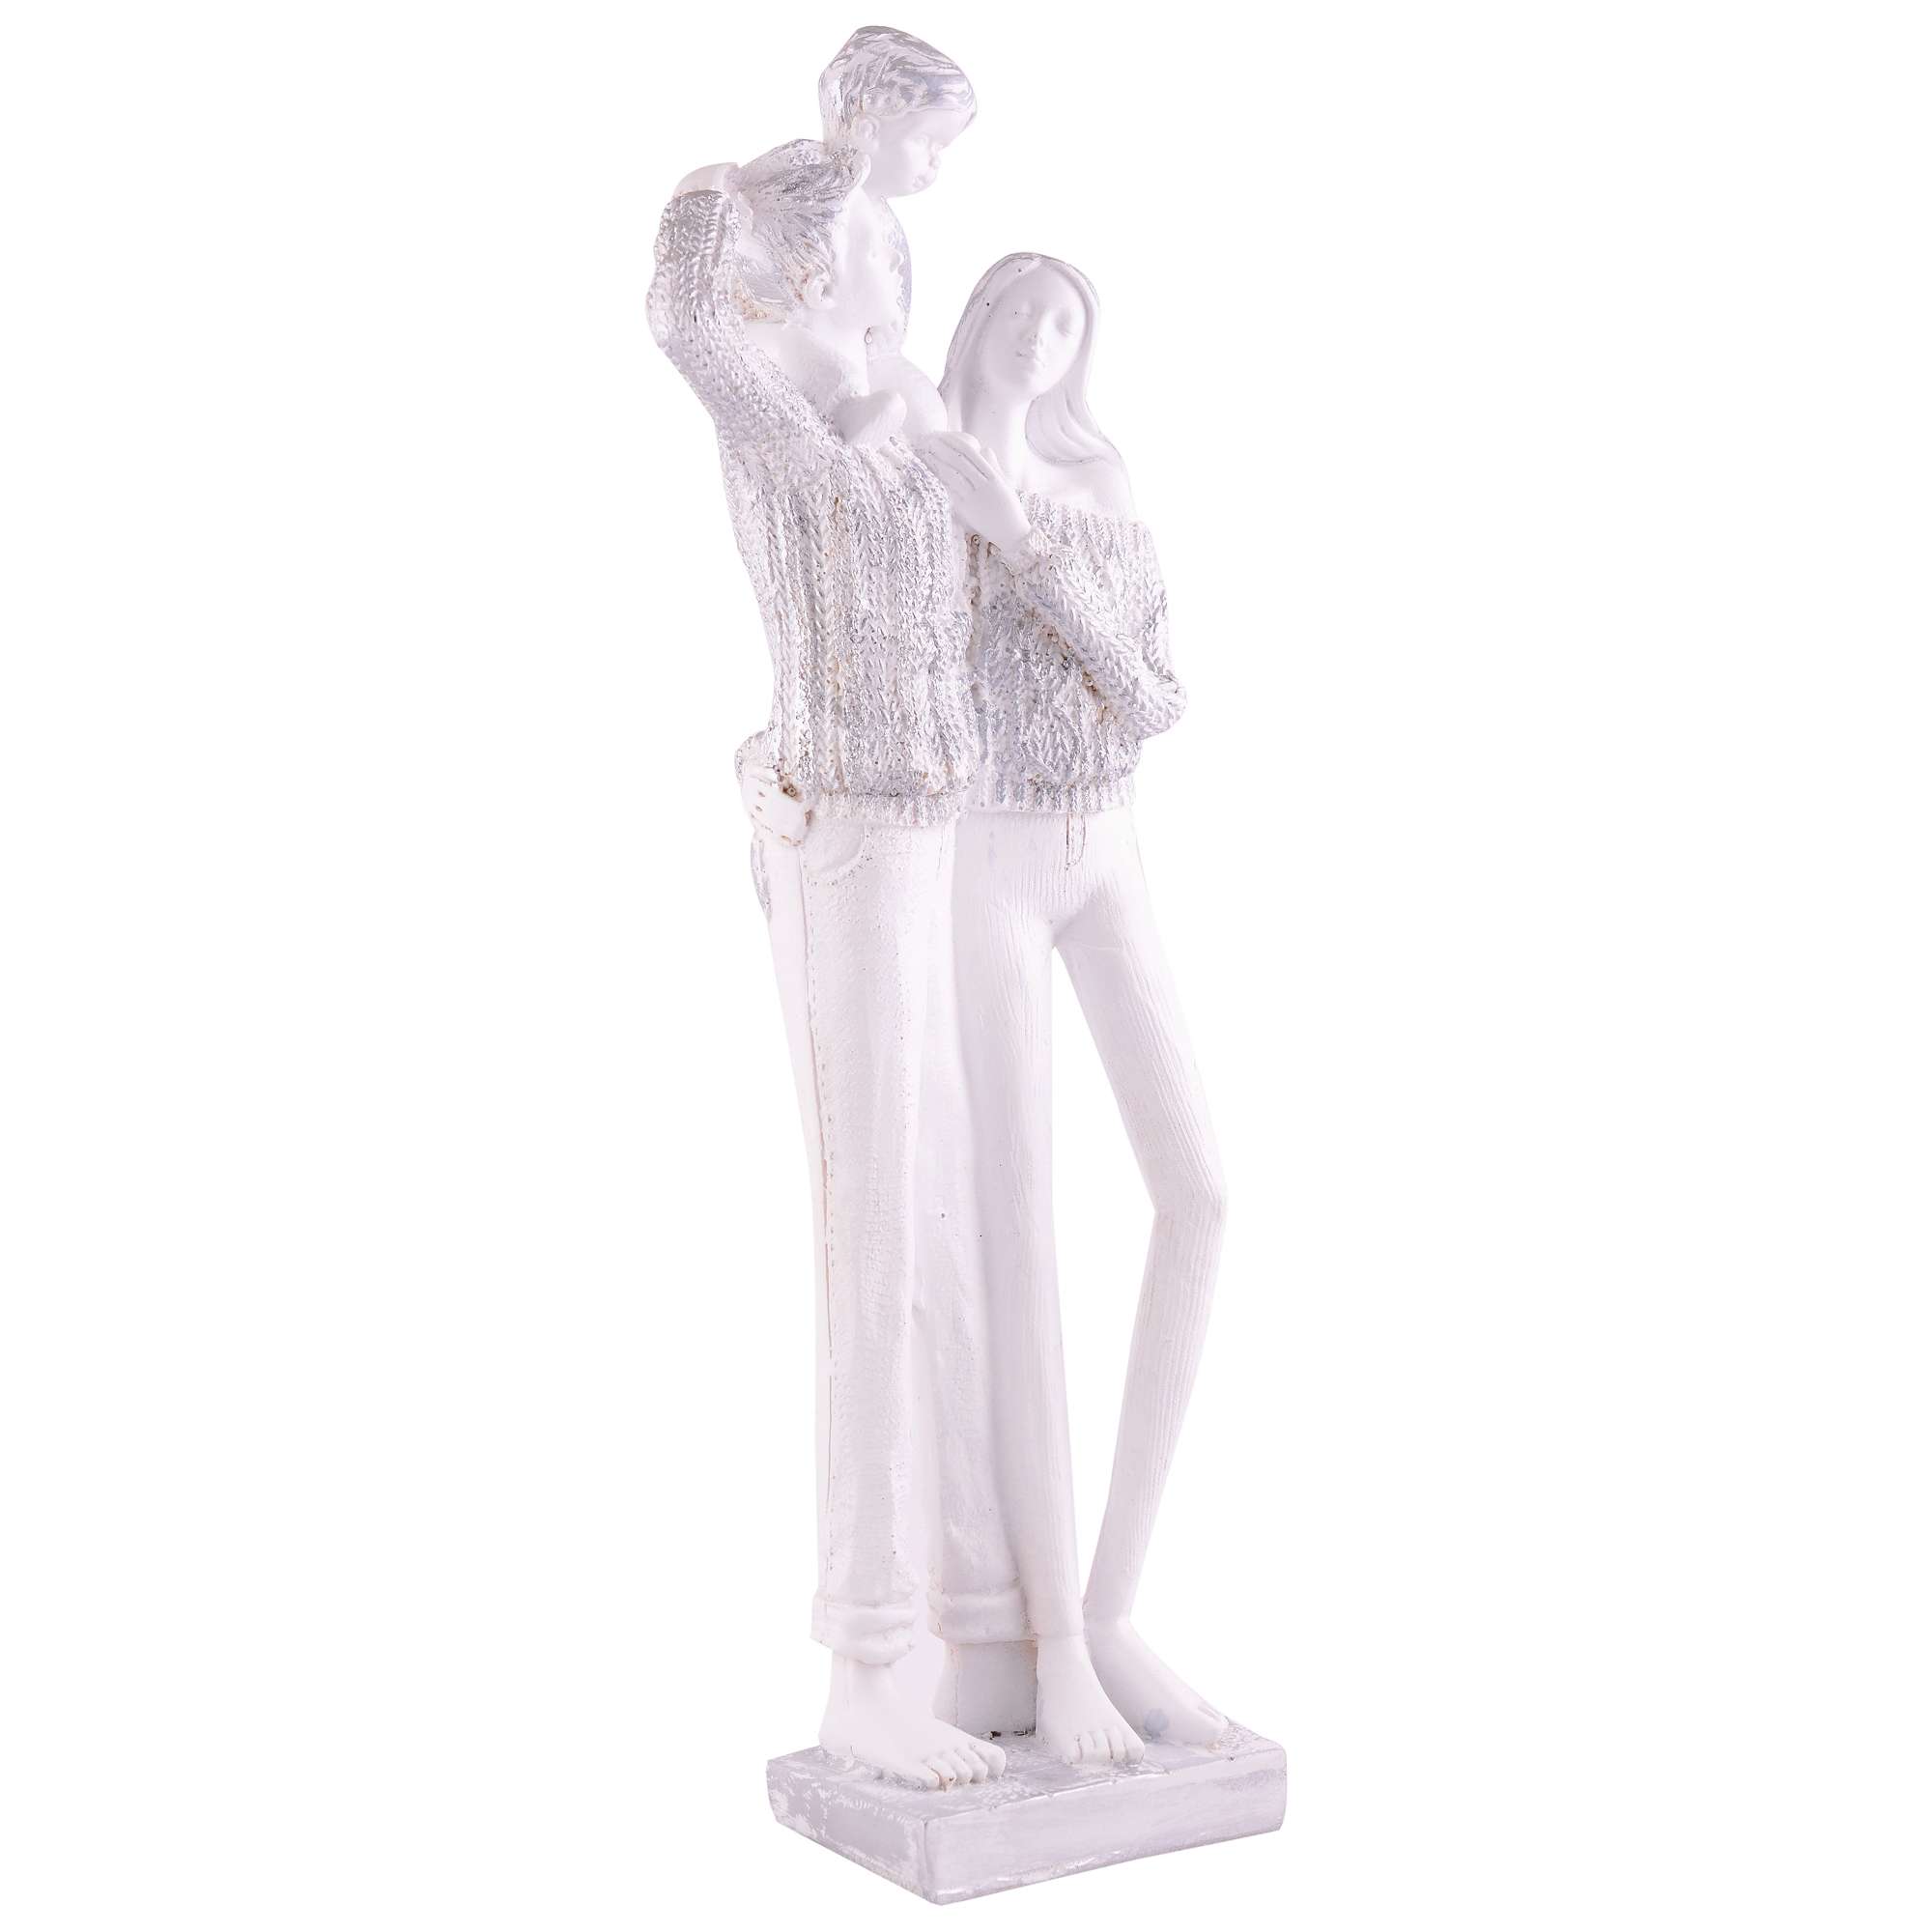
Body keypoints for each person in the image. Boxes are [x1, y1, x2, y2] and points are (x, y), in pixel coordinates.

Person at [647, 143, 1004, 1791]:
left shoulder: (882, 414)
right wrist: (731, 193)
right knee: (873, 1241)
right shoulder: (775, 422)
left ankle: (968, 1627)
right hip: (848, 841)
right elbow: (678, 313)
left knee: (941, 1228)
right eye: (863, 230)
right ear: (800, 263)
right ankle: (867, 1664)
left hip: (930, 836)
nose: (894, 247)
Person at [918, 255, 1232, 1764]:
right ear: (977, 319)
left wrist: (1023, 542)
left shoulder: (1092, 480)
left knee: (1202, 1191)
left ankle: (1108, 1607)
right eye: (1023, 313)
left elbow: (1154, 697)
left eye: (1069, 324)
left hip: (1105, 845)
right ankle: (1046, 1644)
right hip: (981, 851)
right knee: (1016, 1230)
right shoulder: (922, 467)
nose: (1043, 340)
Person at [816, 24, 977, 434]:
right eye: (925, 141)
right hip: (824, 349)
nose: (935, 161)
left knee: (928, 416)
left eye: (941, 149)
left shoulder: (883, 218)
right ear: (868, 130)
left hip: (875, 353)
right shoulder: (822, 201)